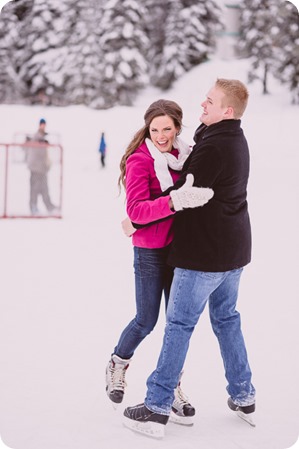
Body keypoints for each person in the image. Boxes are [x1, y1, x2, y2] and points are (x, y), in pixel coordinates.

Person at [123, 79, 256, 438]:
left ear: (227, 111)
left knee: (179, 325)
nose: (202, 104)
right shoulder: (231, 138)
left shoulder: (213, 146)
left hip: (204, 254)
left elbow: (185, 192)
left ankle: (156, 407)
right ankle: (244, 395)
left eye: (210, 101)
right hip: (233, 250)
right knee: (227, 319)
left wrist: (135, 217)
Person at [105, 99, 214, 425]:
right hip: (151, 251)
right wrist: (174, 200)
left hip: (181, 250)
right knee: (146, 319)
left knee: (176, 326)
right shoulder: (141, 160)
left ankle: (170, 387)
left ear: (177, 128)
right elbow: (136, 211)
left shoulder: (187, 155)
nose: (161, 135)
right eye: (155, 129)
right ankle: (118, 364)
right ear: (147, 128)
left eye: (167, 128)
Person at [26, 118, 57, 215]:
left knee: (45, 189)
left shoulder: (42, 137)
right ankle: (33, 207)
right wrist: (42, 141)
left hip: (42, 169)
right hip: (36, 169)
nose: (43, 126)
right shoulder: (37, 137)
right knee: (34, 189)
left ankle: (50, 207)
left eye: (44, 124)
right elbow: (36, 143)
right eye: (41, 124)